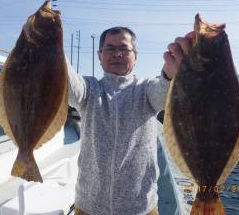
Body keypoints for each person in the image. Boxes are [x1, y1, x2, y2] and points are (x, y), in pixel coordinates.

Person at [68, 26, 194, 215]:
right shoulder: (89, 89)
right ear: (99, 55)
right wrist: (49, 42)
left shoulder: (146, 89)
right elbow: (68, 85)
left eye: (124, 49)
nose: (117, 54)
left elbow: (165, 92)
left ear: (135, 56)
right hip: (88, 207)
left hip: (141, 209)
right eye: (110, 49)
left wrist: (170, 74)